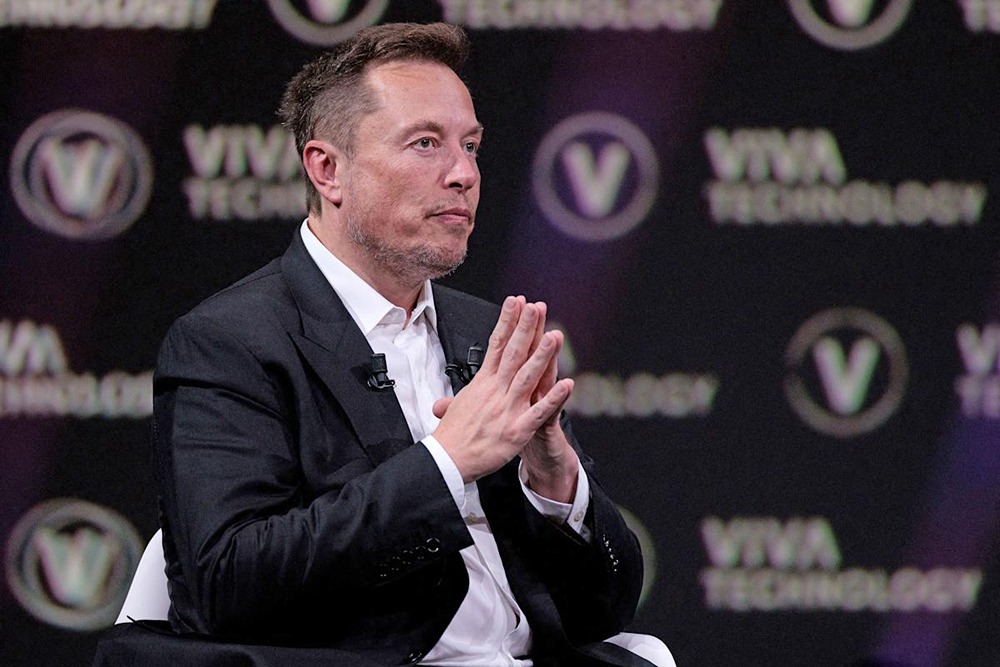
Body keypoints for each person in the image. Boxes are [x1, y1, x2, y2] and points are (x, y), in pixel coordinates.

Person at [141, 22, 671, 666]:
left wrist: (557, 486)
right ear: (328, 170)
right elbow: (224, 585)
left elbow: (605, 612)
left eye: (470, 146)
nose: (464, 174)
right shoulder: (230, 342)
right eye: (425, 144)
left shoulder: (483, 332)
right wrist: (446, 463)